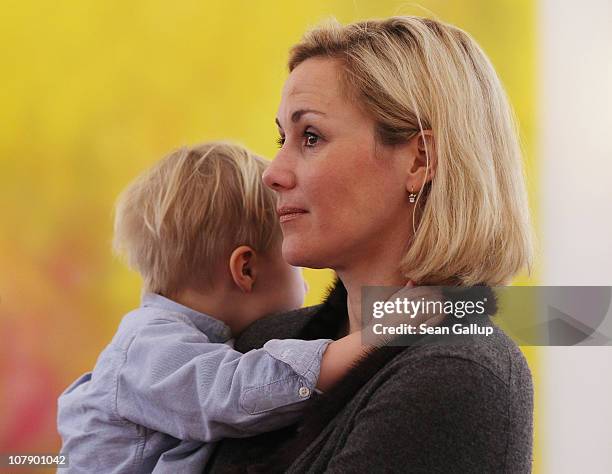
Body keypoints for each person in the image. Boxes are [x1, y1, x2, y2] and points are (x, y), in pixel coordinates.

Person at [206, 16, 534, 473]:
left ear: (420, 160)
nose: (273, 173)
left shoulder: (459, 373)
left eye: (311, 137)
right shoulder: (264, 341)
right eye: (282, 138)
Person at [56, 142, 403, 473]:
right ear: (246, 270)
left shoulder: (175, 341)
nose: (307, 282)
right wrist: (383, 332)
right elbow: (239, 392)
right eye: (293, 263)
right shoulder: (147, 347)